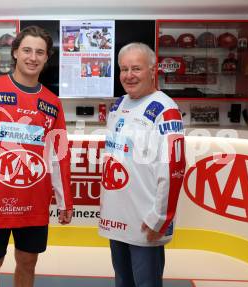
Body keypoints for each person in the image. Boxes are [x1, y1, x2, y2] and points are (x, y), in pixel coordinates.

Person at [0, 26, 73, 287]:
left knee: (28, 262)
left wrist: (65, 200)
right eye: (27, 50)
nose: (33, 57)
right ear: (15, 53)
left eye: (40, 52)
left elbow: (58, 155)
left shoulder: (53, 103)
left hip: (33, 200)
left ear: (46, 58)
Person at [98, 42, 186, 287]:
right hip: (117, 217)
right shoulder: (118, 105)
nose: (128, 75)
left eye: (136, 68)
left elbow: (173, 169)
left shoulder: (165, 109)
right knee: (123, 280)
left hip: (146, 220)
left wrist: (161, 217)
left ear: (152, 70)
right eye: (123, 69)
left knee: (146, 283)